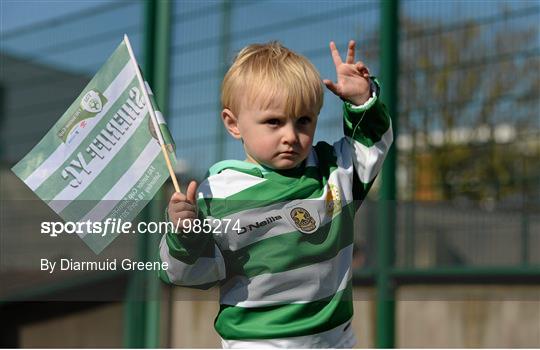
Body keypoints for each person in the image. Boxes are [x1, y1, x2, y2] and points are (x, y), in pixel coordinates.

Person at [158, 40, 393, 348]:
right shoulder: (215, 195)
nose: (291, 136)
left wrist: (363, 101)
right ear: (233, 124)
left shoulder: (333, 170)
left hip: (335, 341)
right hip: (258, 342)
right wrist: (185, 235)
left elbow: (370, 146)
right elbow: (184, 274)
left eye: (304, 121)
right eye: (274, 122)